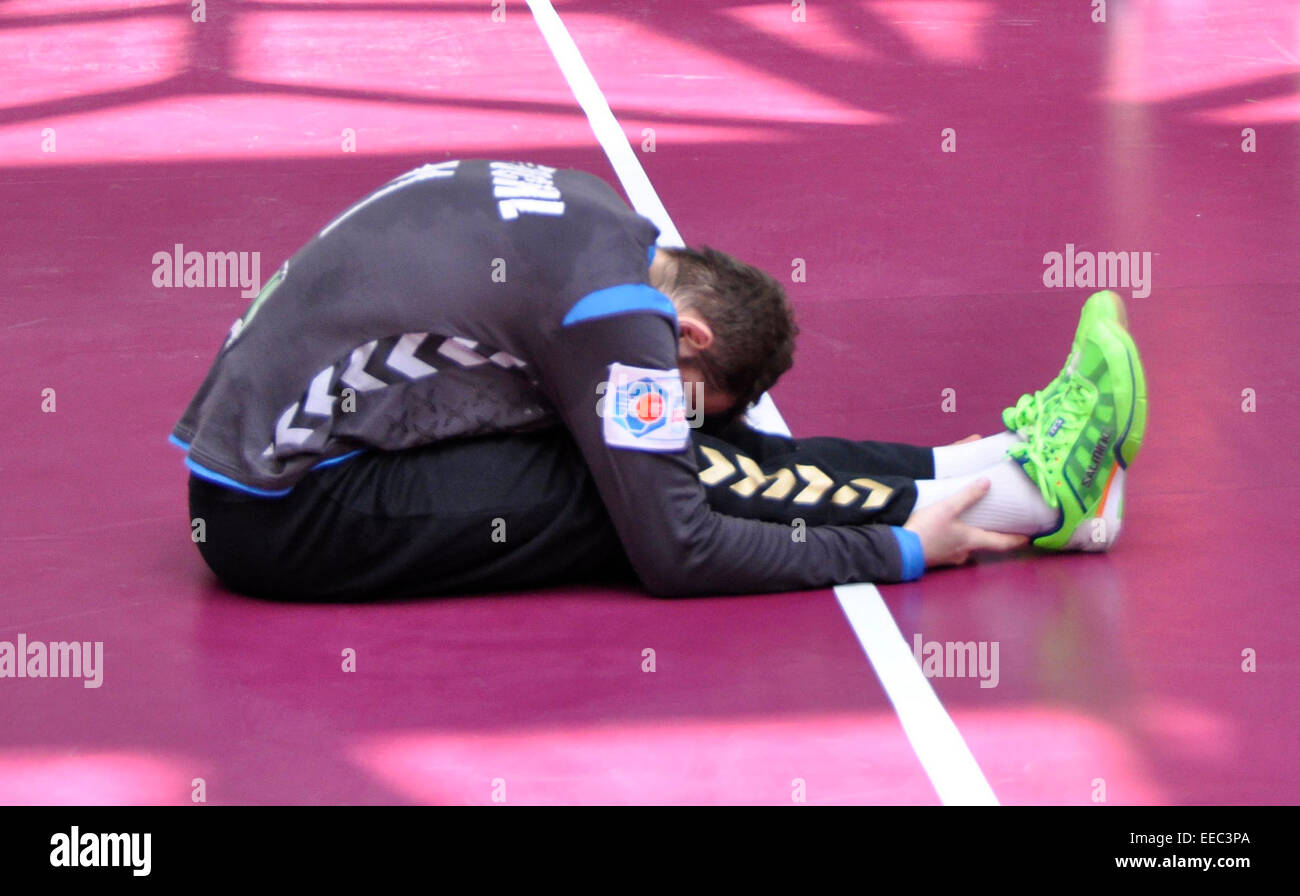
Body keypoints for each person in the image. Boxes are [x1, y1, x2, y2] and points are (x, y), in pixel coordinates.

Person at [170, 160, 1147, 601]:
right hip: (285, 514)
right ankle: (1036, 494)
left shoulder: (604, 220)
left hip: (294, 450)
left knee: (689, 454)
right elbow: (674, 549)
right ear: (686, 330)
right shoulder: (610, 317)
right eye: (680, 387)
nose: (674, 408)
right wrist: (889, 548)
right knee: (649, 483)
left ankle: (990, 458)